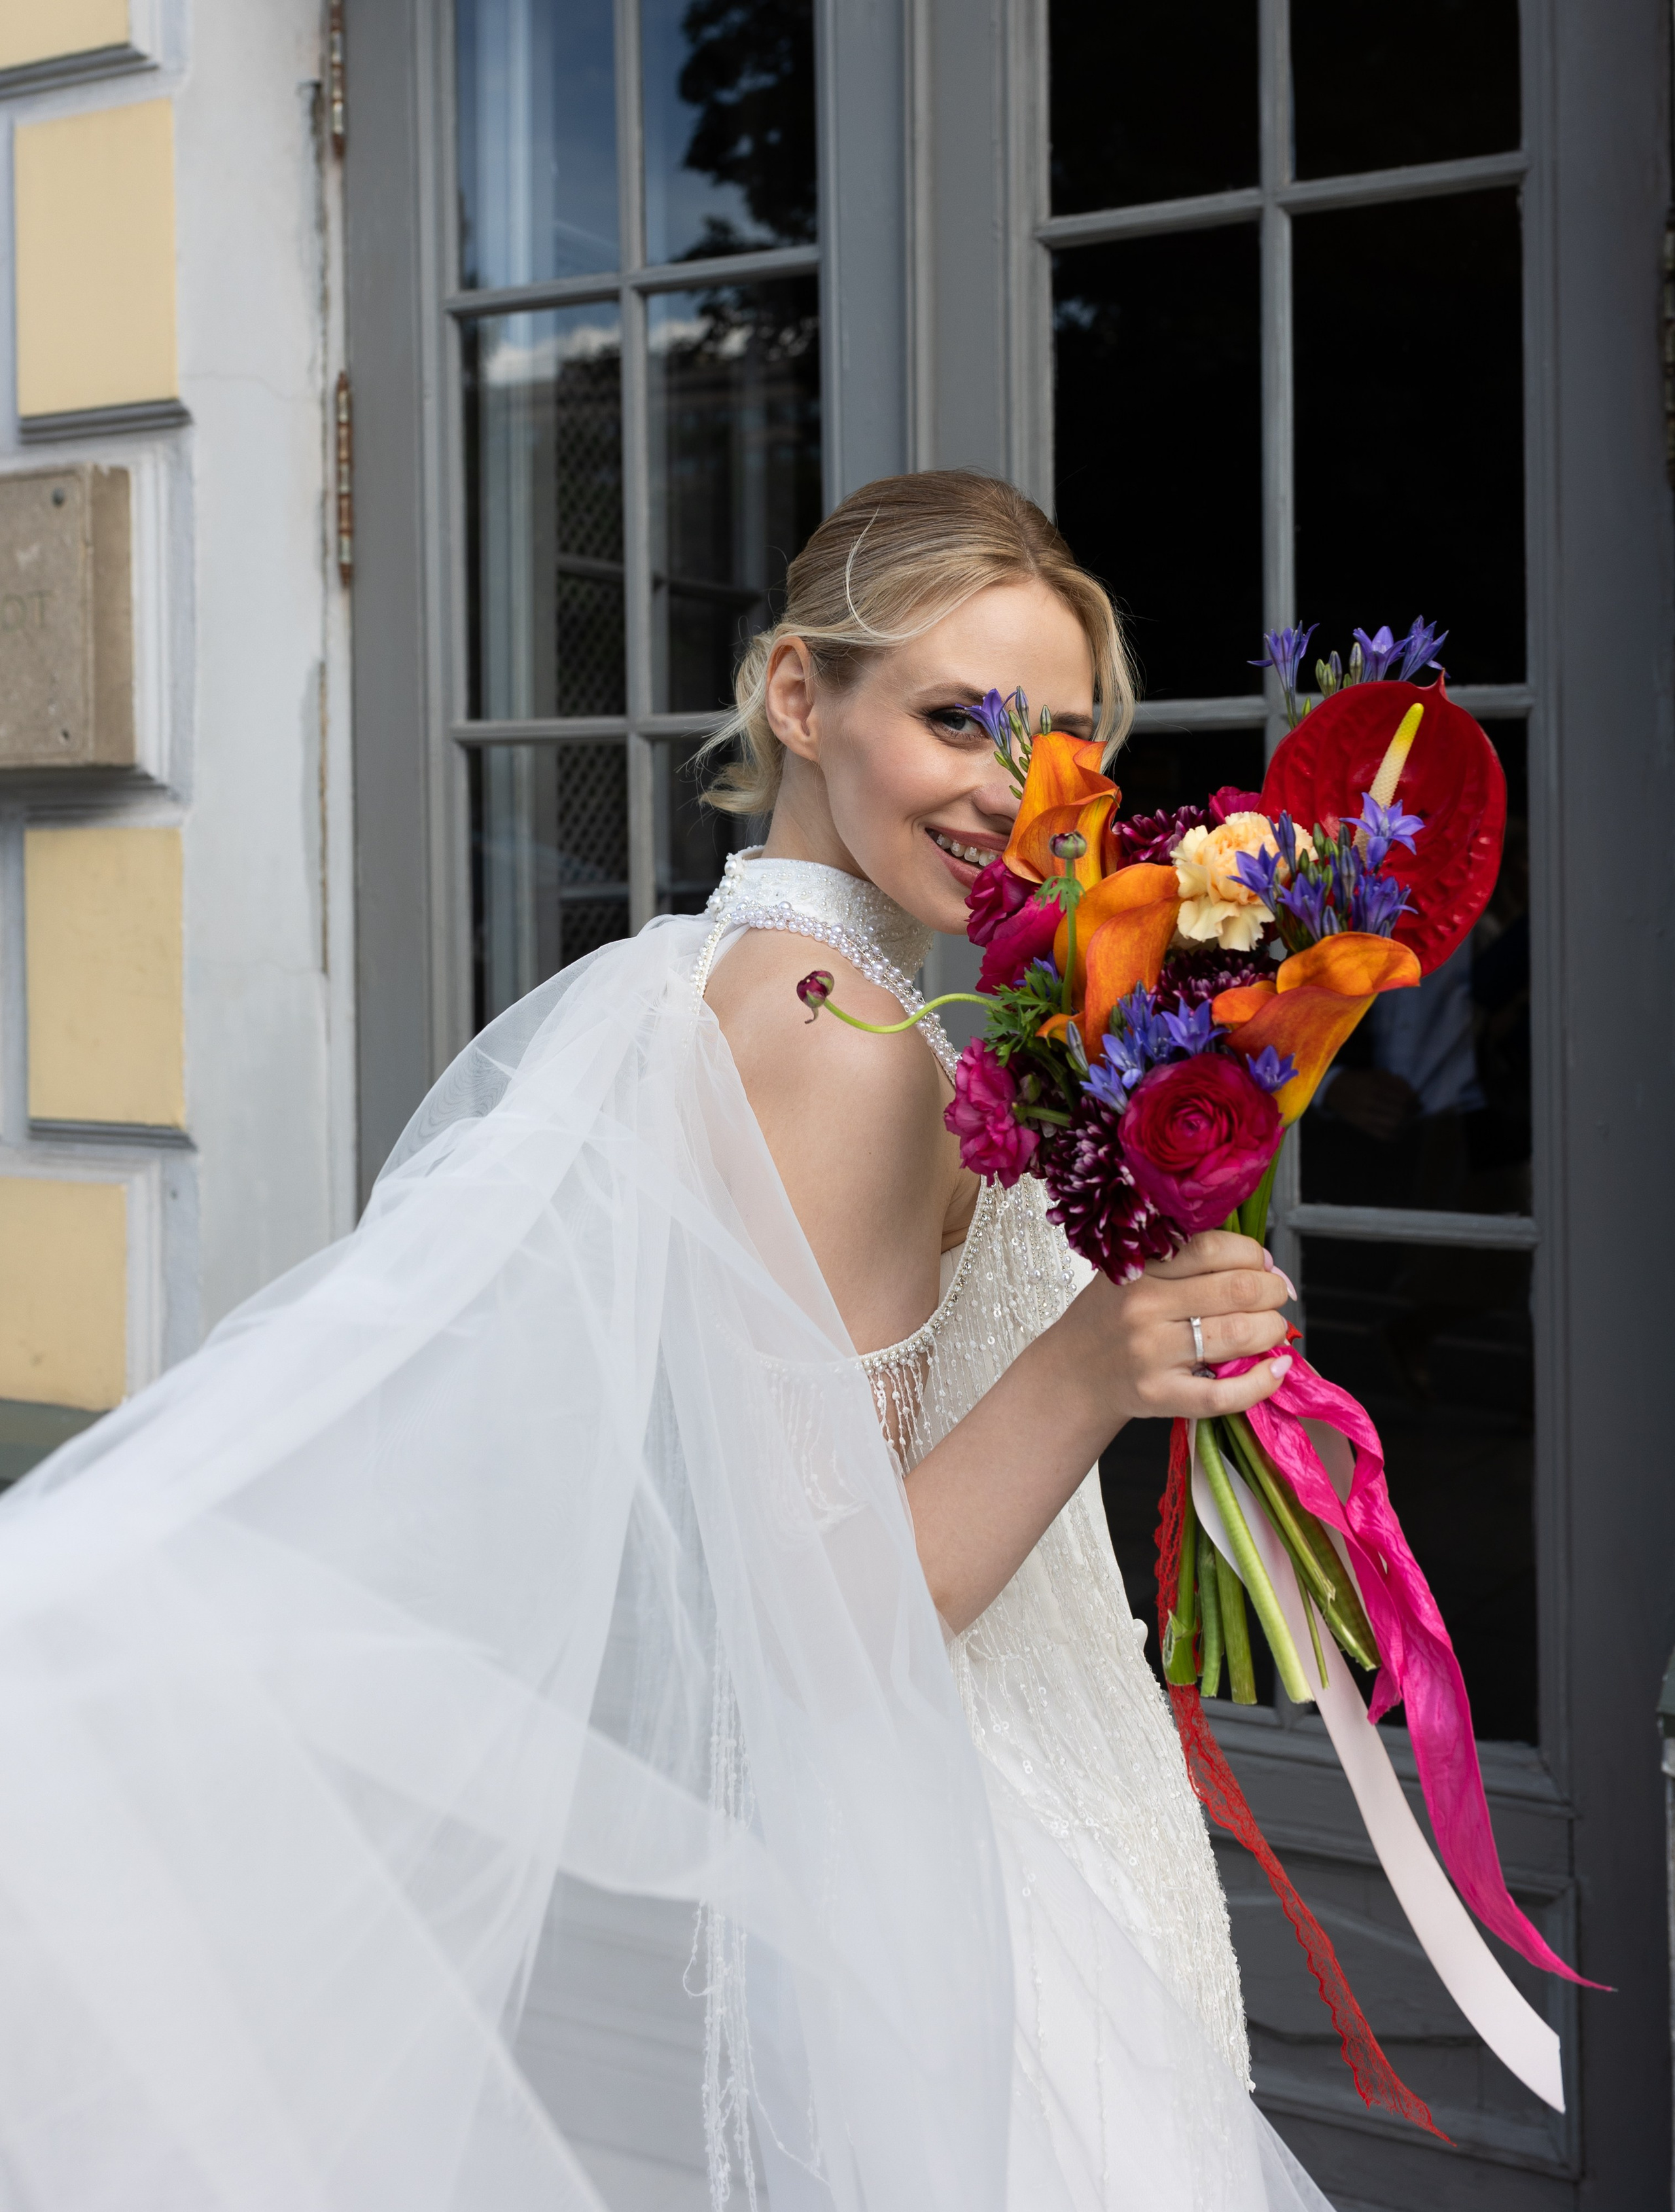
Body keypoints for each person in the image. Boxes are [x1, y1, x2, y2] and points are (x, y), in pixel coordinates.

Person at [0, 471, 1330, 2211]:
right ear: (799, 696)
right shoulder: (844, 1040)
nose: (1020, 793)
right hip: (975, 1824)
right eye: (958, 719)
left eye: (1067, 743)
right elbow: (835, 1612)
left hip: (995, 1772)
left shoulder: (732, 979)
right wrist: (1092, 1365)